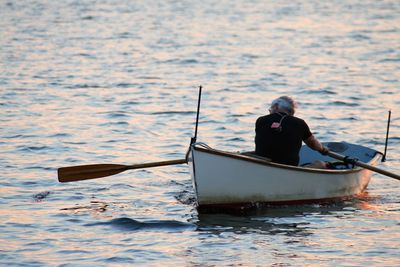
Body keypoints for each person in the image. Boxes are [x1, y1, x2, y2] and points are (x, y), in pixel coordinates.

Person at [255, 96, 329, 167]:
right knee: (321, 164)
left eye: (270, 109)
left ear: (276, 107)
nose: (269, 112)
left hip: (262, 163)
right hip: (288, 167)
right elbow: (313, 144)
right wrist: (322, 149)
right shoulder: (299, 123)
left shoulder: (261, 120)